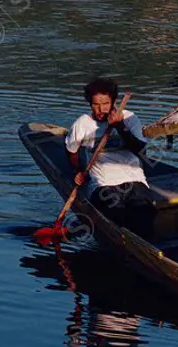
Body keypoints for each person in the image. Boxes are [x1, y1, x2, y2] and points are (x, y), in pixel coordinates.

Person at [65, 77, 154, 237]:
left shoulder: (129, 118)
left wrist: (120, 127)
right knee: (118, 218)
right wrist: (78, 171)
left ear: (113, 101)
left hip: (134, 180)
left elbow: (140, 149)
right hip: (103, 184)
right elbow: (72, 151)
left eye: (105, 104)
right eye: (96, 105)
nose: (100, 110)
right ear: (90, 104)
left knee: (146, 217)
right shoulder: (82, 124)